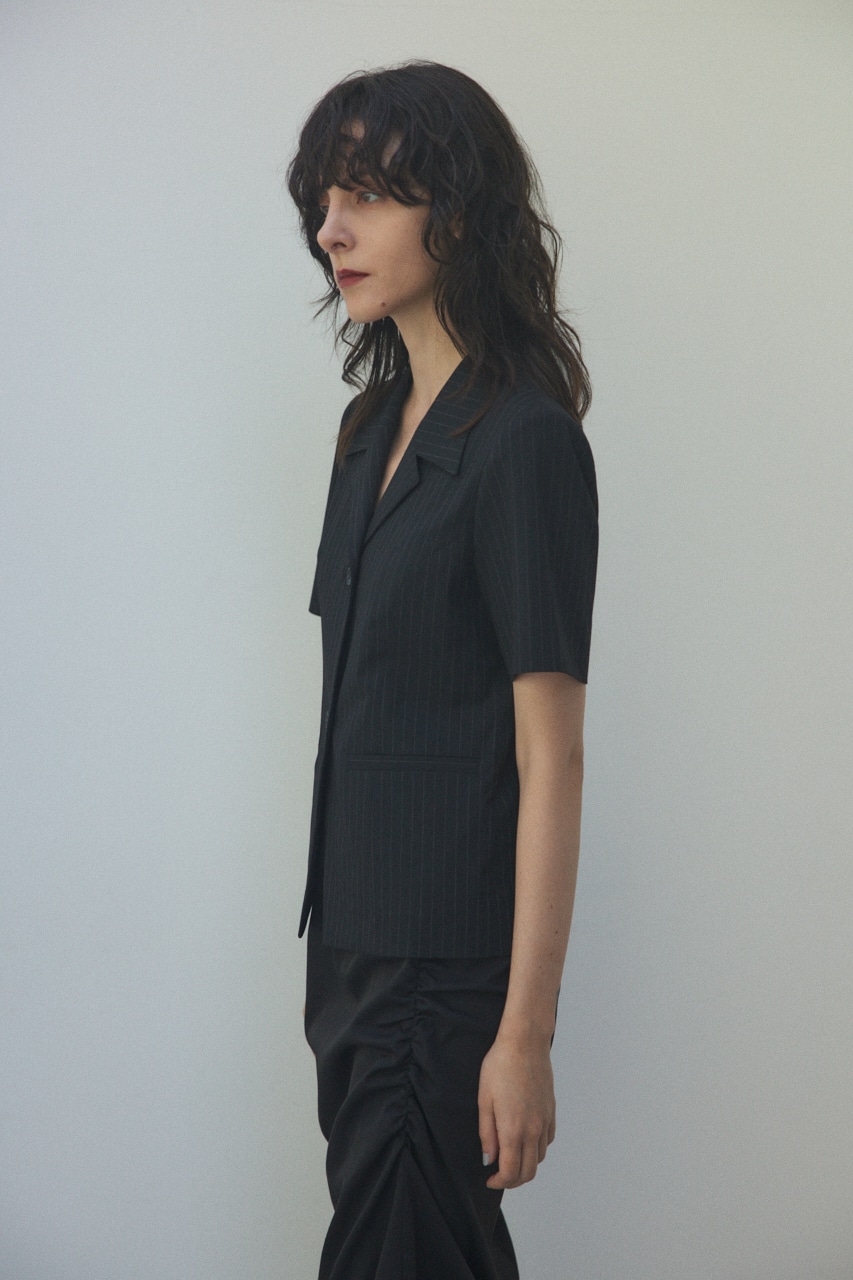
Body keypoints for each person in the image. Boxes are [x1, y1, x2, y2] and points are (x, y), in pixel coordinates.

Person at [287, 60, 598, 1280]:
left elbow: (551, 754)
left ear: (457, 213)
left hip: (440, 973)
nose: (331, 228)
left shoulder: (522, 440)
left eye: (367, 193)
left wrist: (525, 1035)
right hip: (347, 954)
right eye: (324, 197)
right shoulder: (368, 433)